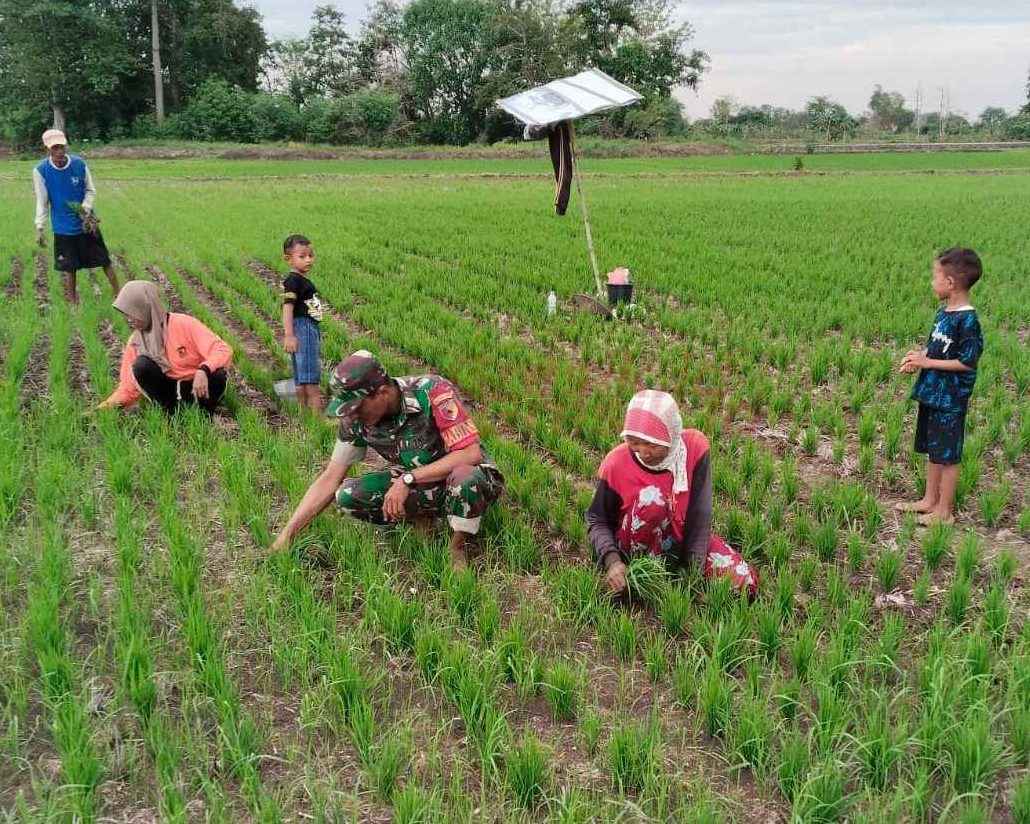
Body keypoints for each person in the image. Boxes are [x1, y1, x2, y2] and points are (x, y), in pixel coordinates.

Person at [270, 351, 504, 569]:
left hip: (466, 475)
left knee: (466, 478)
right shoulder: (355, 421)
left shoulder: (432, 390)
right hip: (419, 482)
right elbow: (330, 478)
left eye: (357, 408)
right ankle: (423, 519)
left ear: (382, 392)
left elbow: (470, 454)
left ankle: (457, 547)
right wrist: (287, 535)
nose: (352, 415)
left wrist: (408, 479)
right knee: (348, 496)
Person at [587, 390, 758, 598]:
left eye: (651, 443)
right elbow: (597, 519)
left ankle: (674, 570)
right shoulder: (616, 463)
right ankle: (648, 575)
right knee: (653, 500)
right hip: (636, 541)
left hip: (679, 538)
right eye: (634, 442)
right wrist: (612, 561)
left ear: (672, 434)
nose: (643, 451)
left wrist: (693, 574)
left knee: (744, 584)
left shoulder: (694, 450)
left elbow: (699, 514)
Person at [897, 247, 984, 526]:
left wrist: (929, 363)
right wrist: (917, 360)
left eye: (935, 275)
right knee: (934, 449)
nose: (931, 281)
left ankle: (944, 511)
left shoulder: (968, 320)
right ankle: (929, 500)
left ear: (950, 283)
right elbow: (935, 348)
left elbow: (967, 362)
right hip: (933, 393)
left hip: (951, 398)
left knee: (948, 454)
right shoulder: (943, 312)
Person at [97, 281, 233, 414]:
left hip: (196, 387)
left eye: (132, 313)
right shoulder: (136, 342)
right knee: (141, 365)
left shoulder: (184, 324)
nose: (129, 319)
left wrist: (203, 369)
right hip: (168, 394)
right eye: (126, 314)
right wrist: (102, 409)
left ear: (146, 308)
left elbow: (221, 349)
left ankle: (203, 413)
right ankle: (170, 412)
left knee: (217, 375)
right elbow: (127, 387)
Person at [33, 129, 119, 304]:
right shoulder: (41, 171)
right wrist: (40, 227)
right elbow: (42, 201)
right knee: (69, 267)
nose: (59, 152)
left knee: (104, 260)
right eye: (54, 148)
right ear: (47, 149)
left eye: (62, 147)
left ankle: (119, 293)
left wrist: (85, 209)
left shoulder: (79, 164)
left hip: (87, 224)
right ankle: (73, 302)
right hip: (63, 227)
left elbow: (90, 190)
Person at [281, 234, 324, 412]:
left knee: (301, 377)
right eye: (302, 256)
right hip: (303, 327)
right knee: (310, 378)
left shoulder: (300, 280)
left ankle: (304, 415)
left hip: (306, 327)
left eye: (310, 255)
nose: (308, 260)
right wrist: (289, 335)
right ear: (288, 259)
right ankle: (317, 419)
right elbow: (287, 308)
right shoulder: (293, 281)